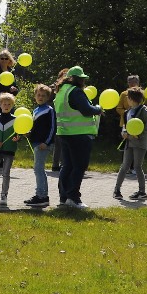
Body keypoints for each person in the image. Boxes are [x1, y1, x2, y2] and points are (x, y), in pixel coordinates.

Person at [54, 66, 103, 208]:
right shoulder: (75, 91)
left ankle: (64, 198)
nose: (83, 81)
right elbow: (87, 110)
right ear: (78, 79)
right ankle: (73, 198)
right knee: (79, 166)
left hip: (64, 133)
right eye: (82, 79)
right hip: (79, 134)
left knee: (67, 166)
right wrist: (98, 109)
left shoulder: (61, 91)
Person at [114, 88, 147, 202]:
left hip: (140, 143)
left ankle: (142, 192)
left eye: (128, 97)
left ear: (132, 99)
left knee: (137, 166)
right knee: (125, 166)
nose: (126, 99)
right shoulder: (127, 111)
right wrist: (123, 132)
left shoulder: (143, 110)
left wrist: (140, 133)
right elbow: (126, 126)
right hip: (129, 142)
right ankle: (117, 190)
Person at [24, 84, 56, 207]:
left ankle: (41, 196)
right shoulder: (36, 110)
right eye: (38, 95)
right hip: (36, 143)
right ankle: (42, 195)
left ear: (48, 97)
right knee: (39, 169)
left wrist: (46, 142)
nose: (40, 97)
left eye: (43, 95)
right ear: (35, 96)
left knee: (38, 169)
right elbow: (35, 128)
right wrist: (29, 133)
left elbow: (52, 128)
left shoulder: (49, 110)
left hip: (43, 144)